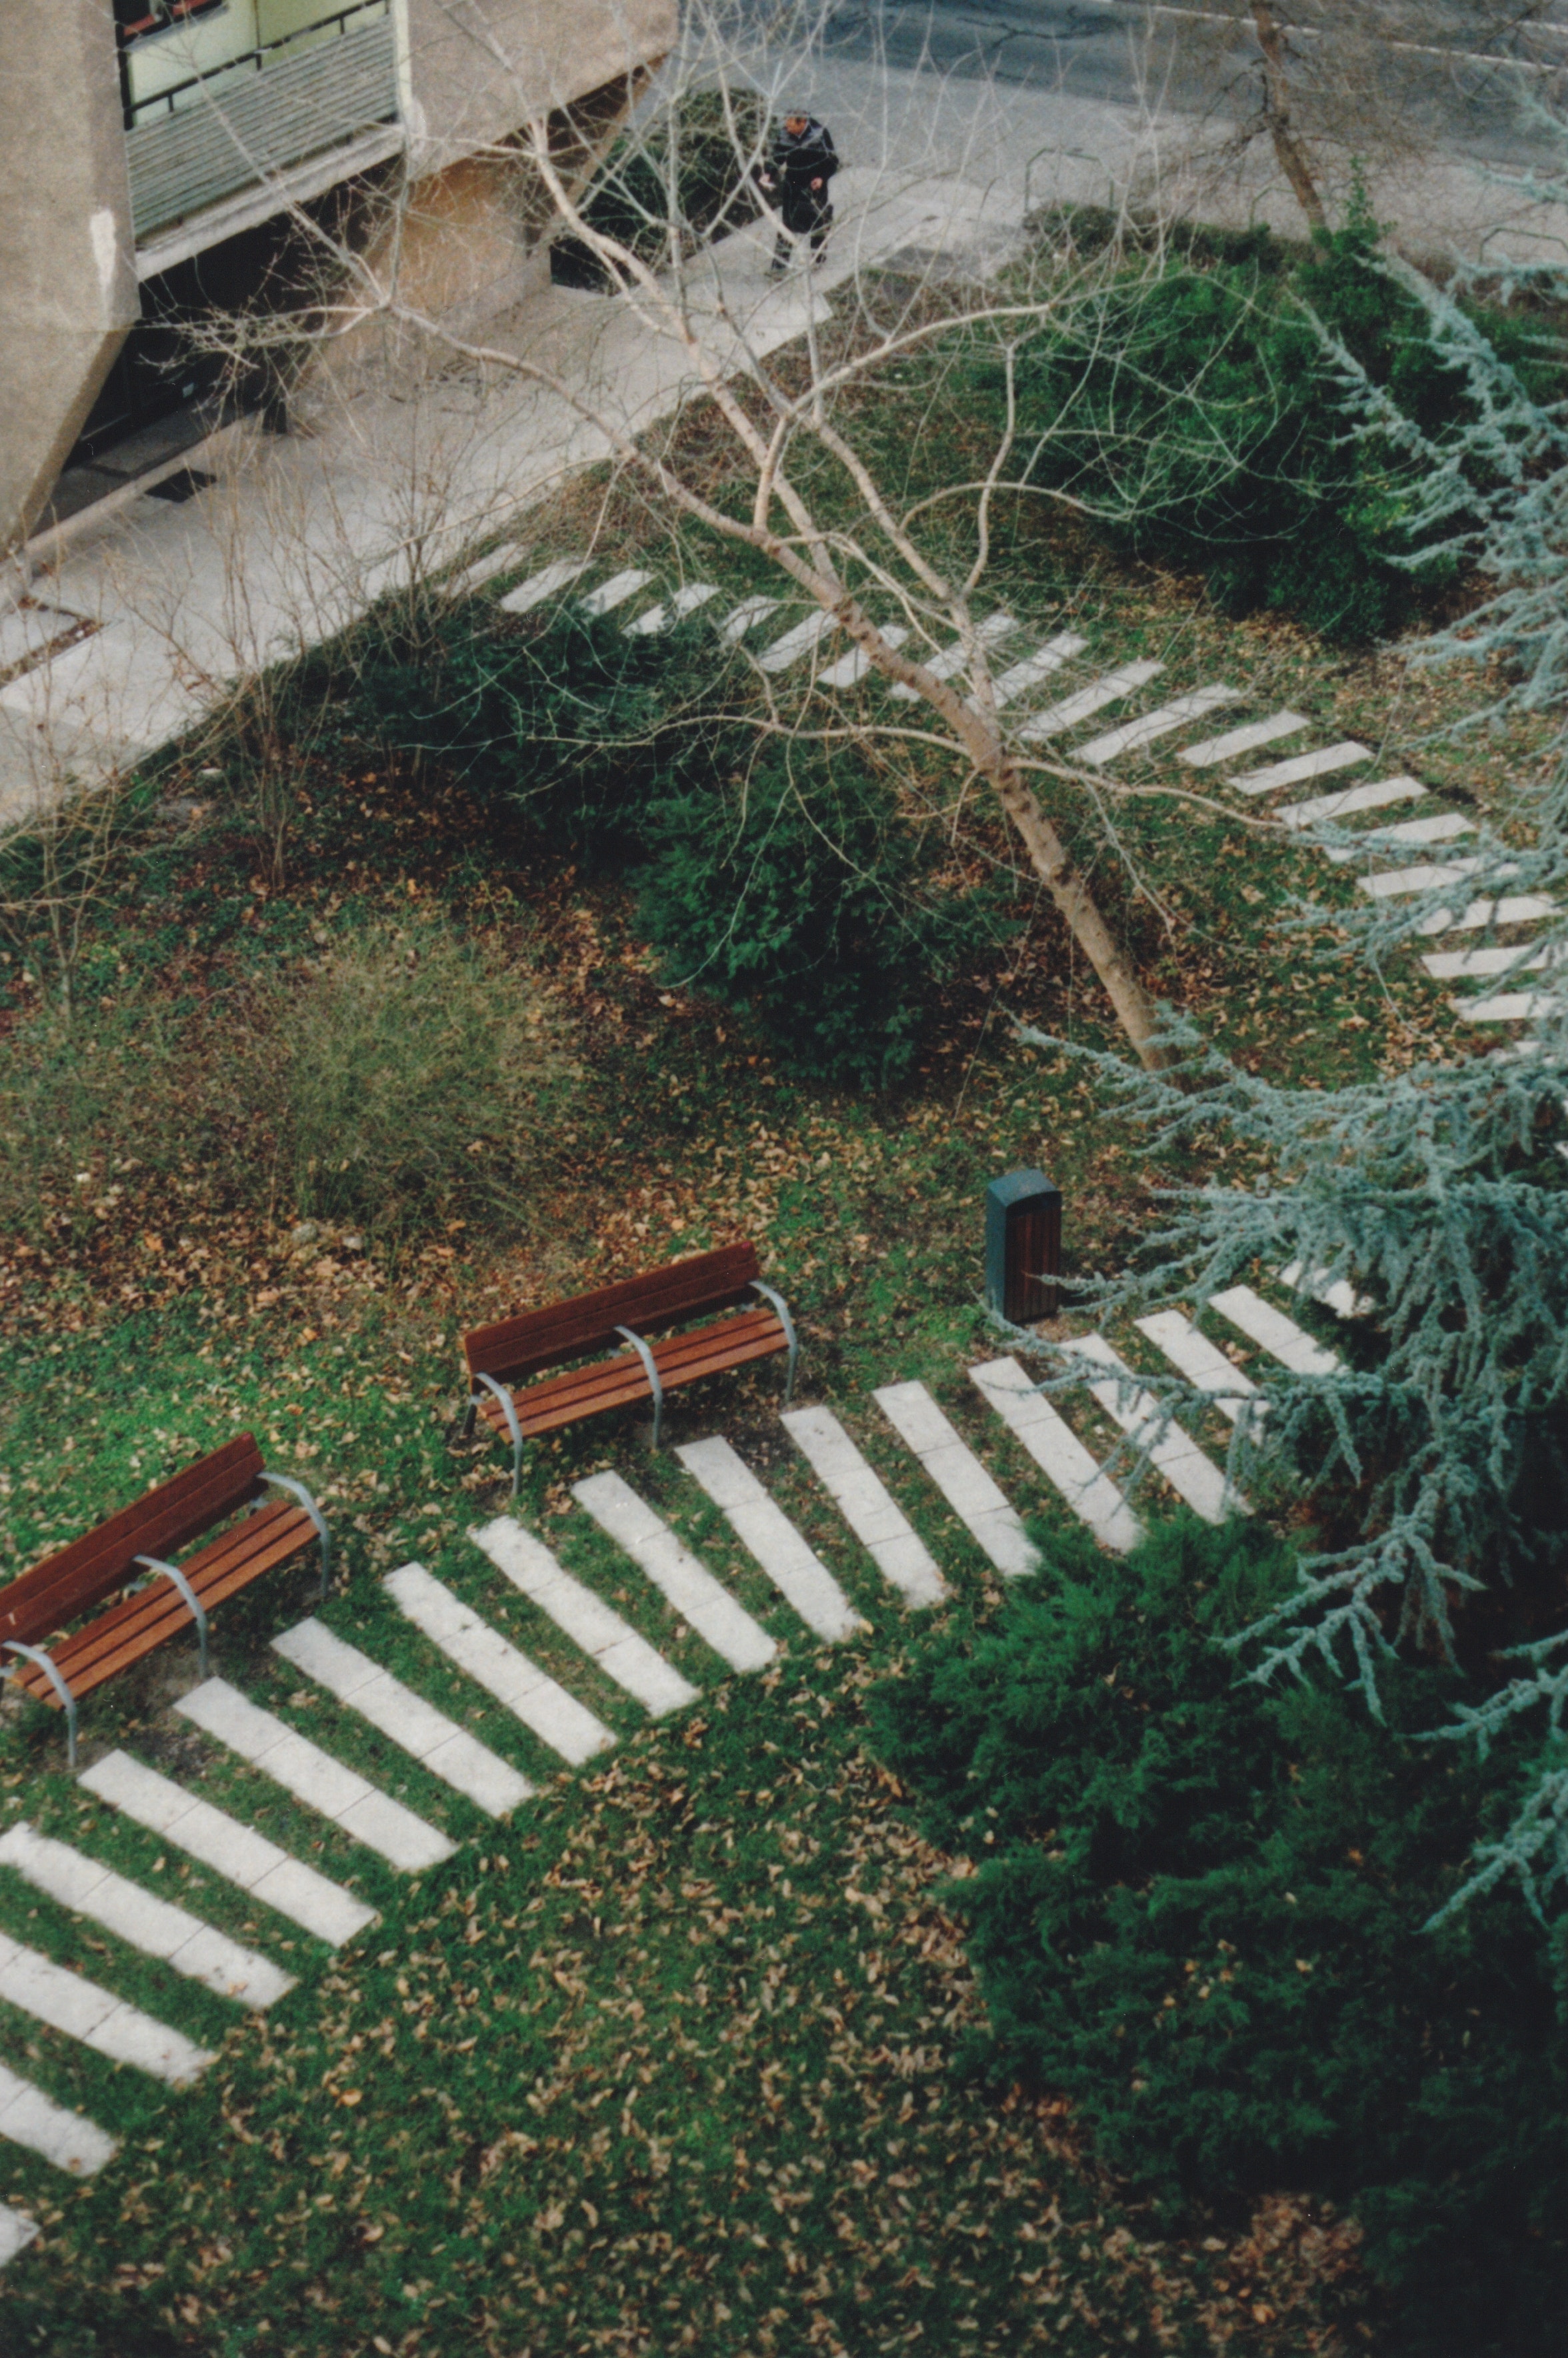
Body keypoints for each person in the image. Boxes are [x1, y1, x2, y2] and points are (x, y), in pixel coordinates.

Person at [757, 112, 839, 276]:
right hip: (793, 183)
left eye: (791, 124)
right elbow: (777, 157)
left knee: (817, 223)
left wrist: (822, 178)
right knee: (787, 224)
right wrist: (769, 173)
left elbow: (832, 161)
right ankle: (779, 267)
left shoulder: (819, 134)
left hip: (814, 184)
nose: (787, 127)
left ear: (803, 123)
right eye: (786, 123)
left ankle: (817, 259)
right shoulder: (785, 134)